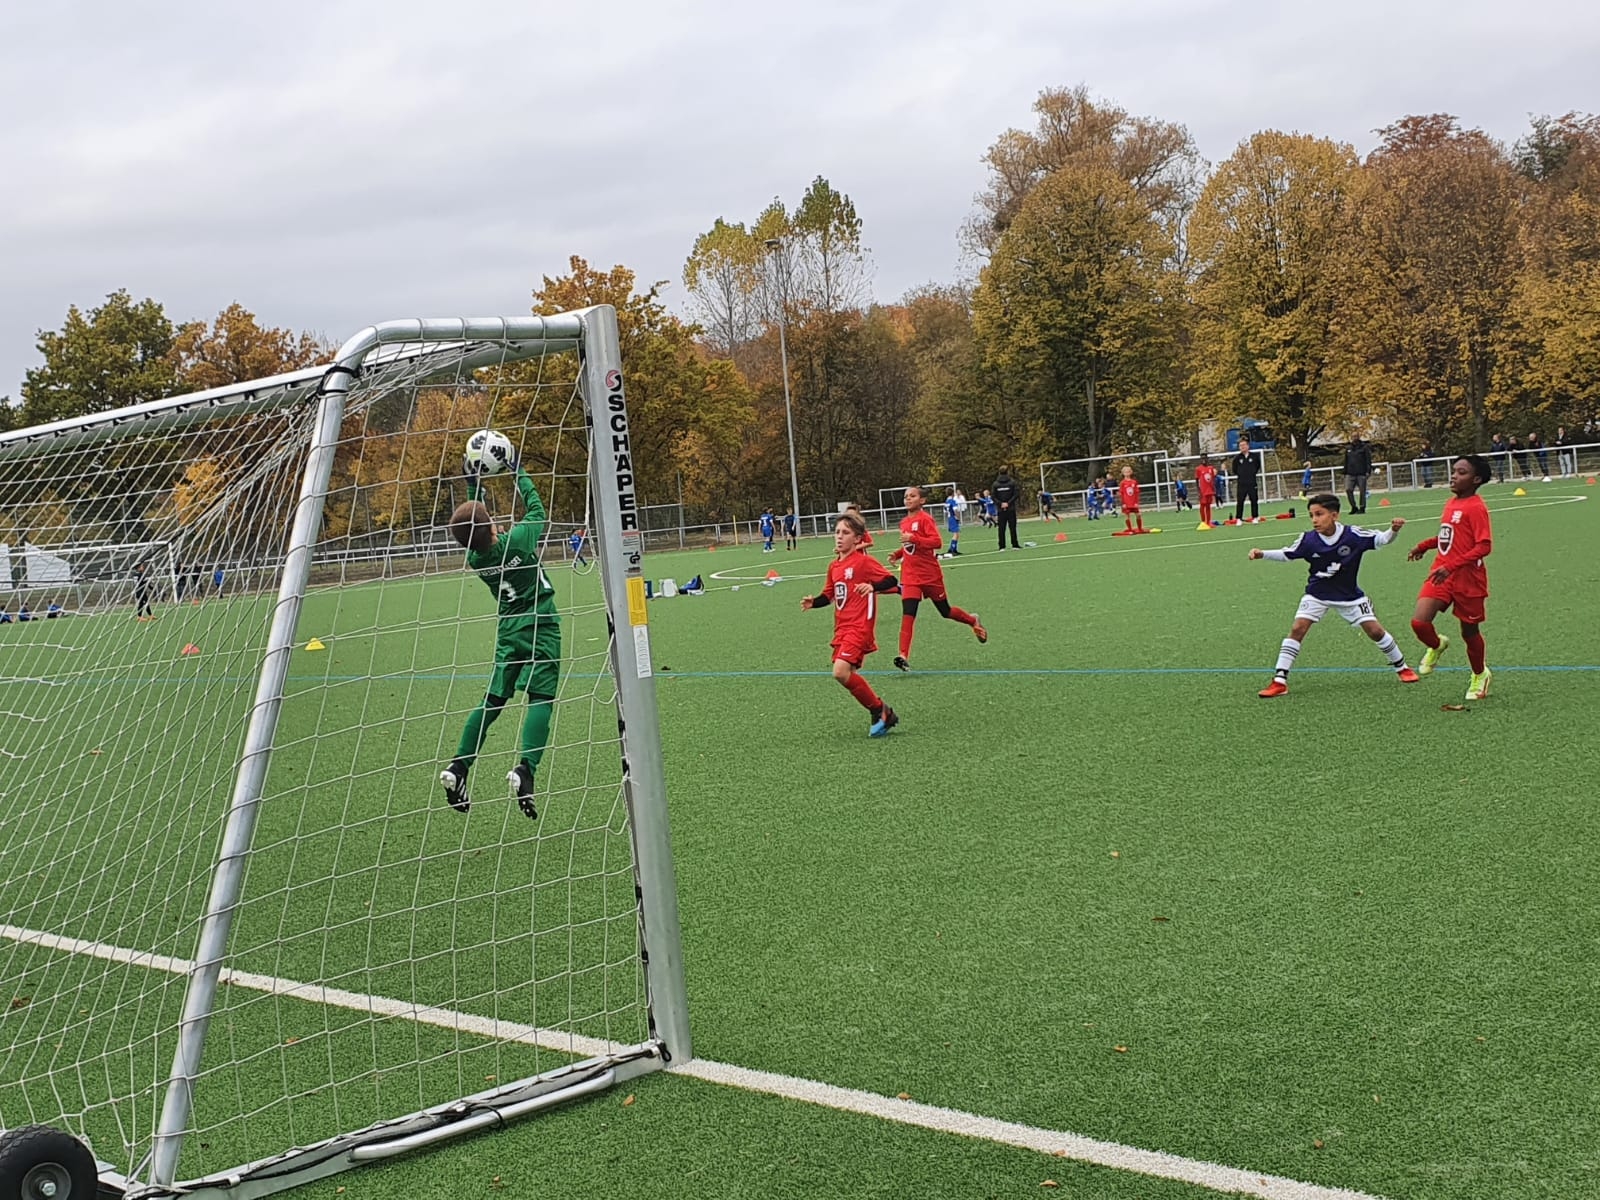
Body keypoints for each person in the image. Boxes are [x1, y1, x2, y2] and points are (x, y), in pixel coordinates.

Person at [439, 452, 560, 819]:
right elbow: (537, 509)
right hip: (541, 624)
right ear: (491, 527)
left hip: (508, 632)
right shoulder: (519, 541)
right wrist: (518, 470)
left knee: (493, 700)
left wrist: (472, 484)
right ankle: (526, 768)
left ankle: (459, 765)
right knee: (541, 696)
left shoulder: (476, 559)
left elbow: (475, 524)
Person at [1249, 494, 1418, 698]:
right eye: (1311, 515)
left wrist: (1394, 530)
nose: (1314, 520)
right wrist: (1262, 554)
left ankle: (1402, 667)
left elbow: (1382, 539)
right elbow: (1287, 554)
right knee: (1297, 628)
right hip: (1317, 593)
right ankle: (1279, 681)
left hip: (1350, 596)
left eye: (1319, 514)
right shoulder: (1308, 539)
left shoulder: (1353, 535)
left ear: (1335, 515)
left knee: (1375, 631)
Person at [800, 511, 901, 736]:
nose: (839, 536)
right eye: (837, 532)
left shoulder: (863, 562)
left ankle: (880, 711)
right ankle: (881, 712)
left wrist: (872, 586)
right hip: (842, 628)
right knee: (846, 674)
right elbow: (829, 595)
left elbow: (890, 580)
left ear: (857, 539)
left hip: (859, 627)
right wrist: (814, 602)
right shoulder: (834, 566)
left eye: (845, 532)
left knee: (840, 671)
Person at [1408, 455, 1495, 702]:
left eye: (1461, 472)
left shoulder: (1476, 507)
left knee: (1469, 631)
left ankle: (1480, 674)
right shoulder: (1451, 503)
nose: (1454, 476)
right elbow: (1450, 537)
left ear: (1476, 479)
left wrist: (1452, 565)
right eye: (1454, 471)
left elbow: (1484, 546)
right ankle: (1437, 645)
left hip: (1468, 579)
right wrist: (1424, 545)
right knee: (1419, 622)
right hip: (1442, 573)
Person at [887, 486, 987, 672]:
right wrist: (897, 554)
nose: (908, 499)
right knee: (908, 613)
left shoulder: (925, 519)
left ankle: (972, 620)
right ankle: (903, 655)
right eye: (906, 496)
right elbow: (910, 546)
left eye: (912, 496)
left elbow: (936, 543)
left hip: (930, 575)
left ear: (922, 500)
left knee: (945, 611)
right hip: (910, 576)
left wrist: (914, 539)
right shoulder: (904, 522)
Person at [1231, 440, 1261, 522]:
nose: (1242, 447)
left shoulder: (1254, 457)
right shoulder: (1237, 458)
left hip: (1252, 482)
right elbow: (1234, 469)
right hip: (1242, 483)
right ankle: (1239, 518)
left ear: (1248, 446)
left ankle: (1255, 517)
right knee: (1240, 501)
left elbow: (1257, 466)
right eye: (1240, 445)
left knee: (1254, 500)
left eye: (1244, 445)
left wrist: (1252, 473)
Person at [1342, 436, 1373, 514]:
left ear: (1358, 437)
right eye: (1353, 437)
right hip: (1350, 473)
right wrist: (1344, 472)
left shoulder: (1364, 447)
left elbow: (1368, 460)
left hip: (1361, 473)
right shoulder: (1348, 448)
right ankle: (1354, 507)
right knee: (1348, 489)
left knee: (1362, 491)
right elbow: (1346, 461)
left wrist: (1368, 471)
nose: (1354, 438)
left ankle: (1362, 507)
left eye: (1356, 436)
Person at [992, 469, 1021, 550]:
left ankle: (1002, 546)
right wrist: (1008, 503)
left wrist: (1000, 504)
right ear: (1007, 472)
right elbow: (1016, 494)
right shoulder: (1012, 482)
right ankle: (1015, 545)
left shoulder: (995, 484)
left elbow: (993, 496)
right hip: (1011, 508)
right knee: (1013, 527)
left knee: (1001, 528)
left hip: (1000, 509)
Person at [1117, 466, 1145, 534]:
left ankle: (1140, 529)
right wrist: (1123, 503)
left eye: (1128, 471)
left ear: (1131, 472)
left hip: (1133, 503)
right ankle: (1130, 529)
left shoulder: (1134, 482)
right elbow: (1121, 494)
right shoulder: (1122, 483)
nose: (1127, 473)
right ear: (1123, 473)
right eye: (1125, 472)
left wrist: (1136, 502)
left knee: (1138, 515)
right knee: (1127, 516)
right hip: (1126, 503)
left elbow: (1136, 493)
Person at [1194, 456, 1218, 527]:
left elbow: (1212, 479)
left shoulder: (1211, 468)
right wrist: (1198, 491)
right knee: (1202, 506)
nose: (1204, 460)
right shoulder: (1198, 469)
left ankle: (1208, 522)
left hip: (1209, 490)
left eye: (1205, 458)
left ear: (1207, 459)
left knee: (1208, 506)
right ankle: (1203, 521)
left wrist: (1213, 489)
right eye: (1202, 459)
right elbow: (1197, 480)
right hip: (1203, 491)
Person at [943, 486, 964, 555]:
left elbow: (945, 511)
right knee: (956, 534)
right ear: (953, 493)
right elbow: (955, 510)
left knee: (956, 534)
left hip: (949, 518)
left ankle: (953, 549)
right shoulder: (952, 501)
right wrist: (958, 517)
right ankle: (952, 549)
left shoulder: (947, 502)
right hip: (953, 518)